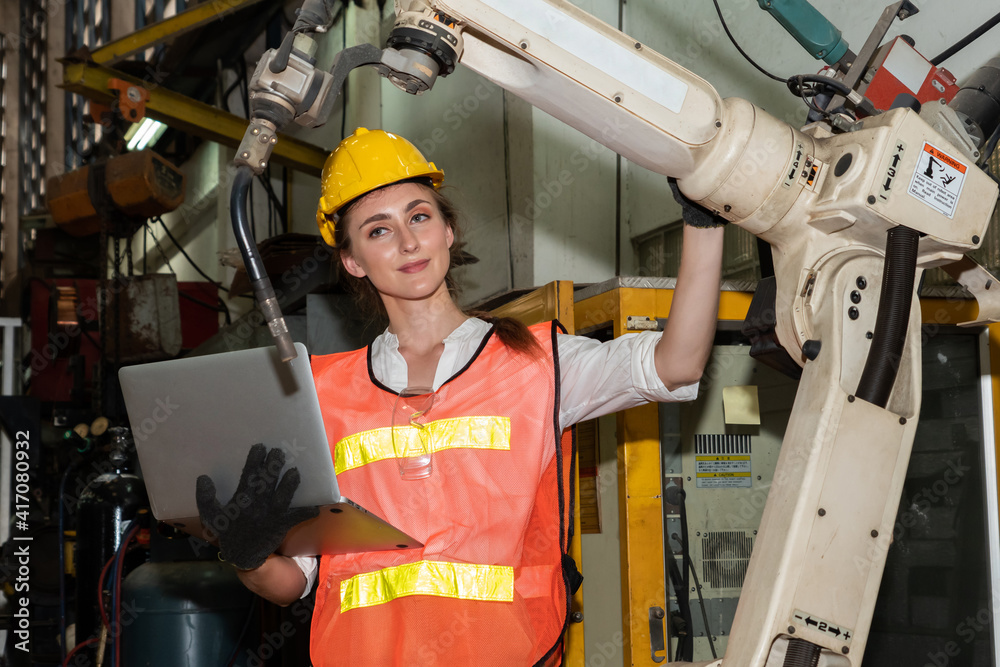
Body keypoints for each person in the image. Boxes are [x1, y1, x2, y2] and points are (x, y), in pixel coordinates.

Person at [197, 127, 725, 666]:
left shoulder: (539, 363)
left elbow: (675, 364)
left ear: (448, 231)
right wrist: (246, 555)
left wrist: (703, 221)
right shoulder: (321, 394)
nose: (407, 242)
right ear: (352, 260)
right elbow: (294, 582)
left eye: (419, 216)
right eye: (378, 231)